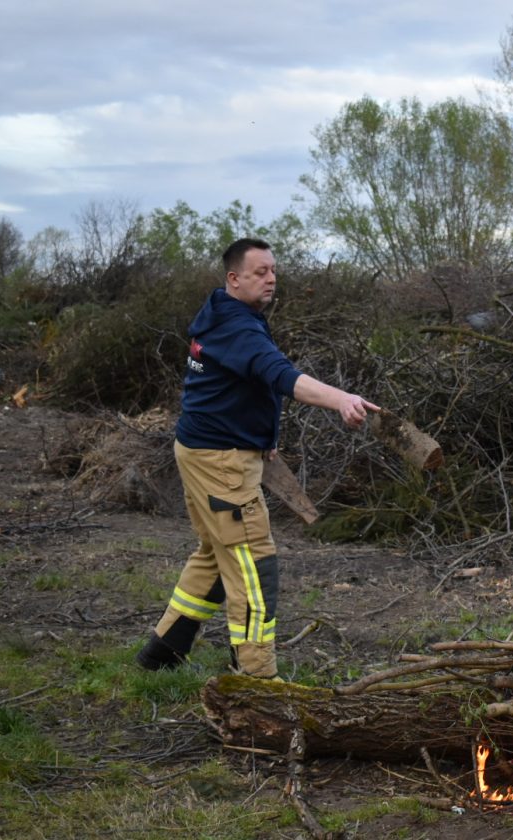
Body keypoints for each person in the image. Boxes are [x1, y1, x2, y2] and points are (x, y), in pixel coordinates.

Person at [135, 237, 379, 679]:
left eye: (273, 271)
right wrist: (342, 399)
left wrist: (259, 434)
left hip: (204, 449)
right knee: (253, 566)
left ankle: (162, 654)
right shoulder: (239, 327)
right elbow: (281, 376)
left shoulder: (223, 313)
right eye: (259, 272)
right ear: (234, 278)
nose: (270, 280)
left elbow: (239, 384)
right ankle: (257, 677)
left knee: (216, 554)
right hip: (220, 462)